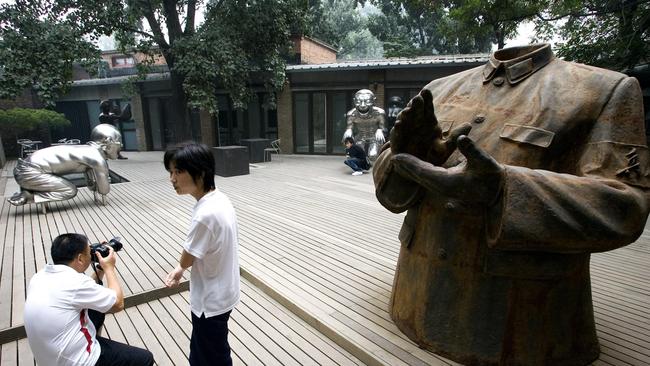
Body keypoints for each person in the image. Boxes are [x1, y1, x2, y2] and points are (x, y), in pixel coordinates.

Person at [374, 43, 650, 365]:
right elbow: (391, 186)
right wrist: (404, 158)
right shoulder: (440, 89)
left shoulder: (603, 90)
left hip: (524, 335)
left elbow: (625, 206)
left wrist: (502, 189)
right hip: (411, 306)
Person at [24, 233, 154, 366]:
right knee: (145, 358)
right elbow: (118, 304)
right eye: (89, 252)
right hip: (76, 361)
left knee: (96, 311)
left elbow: (84, 292)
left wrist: (100, 268)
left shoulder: (39, 276)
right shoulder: (76, 282)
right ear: (80, 258)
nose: (91, 254)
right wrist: (109, 268)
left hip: (49, 356)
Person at [164, 143, 241, 366]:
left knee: (212, 356)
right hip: (225, 291)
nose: (172, 179)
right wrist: (181, 270)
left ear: (201, 172)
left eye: (178, 171)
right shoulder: (220, 199)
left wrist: (180, 266)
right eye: (171, 172)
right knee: (205, 350)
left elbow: (186, 258)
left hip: (210, 301)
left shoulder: (204, 215)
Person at [8, 124, 123, 206]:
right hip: (30, 172)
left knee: (67, 187)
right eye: (119, 143)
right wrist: (103, 178)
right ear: (108, 142)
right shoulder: (96, 158)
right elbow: (104, 190)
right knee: (70, 190)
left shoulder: (88, 151)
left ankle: (27, 191)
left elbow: (91, 185)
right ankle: (30, 196)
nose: (120, 147)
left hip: (26, 169)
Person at [342, 89, 386, 160]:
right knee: (358, 154)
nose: (362, 105)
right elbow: (349, 127)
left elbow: (383, 127)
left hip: (373, 137)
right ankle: (361, 166)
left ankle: (371, 166)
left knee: (373, 155)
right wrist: (349, 130)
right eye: (359, 102)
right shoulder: (352, 114)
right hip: (360, 137)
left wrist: (380, 130)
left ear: (373, 101)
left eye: (367, 102)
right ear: (354, 101)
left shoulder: (379, 113)